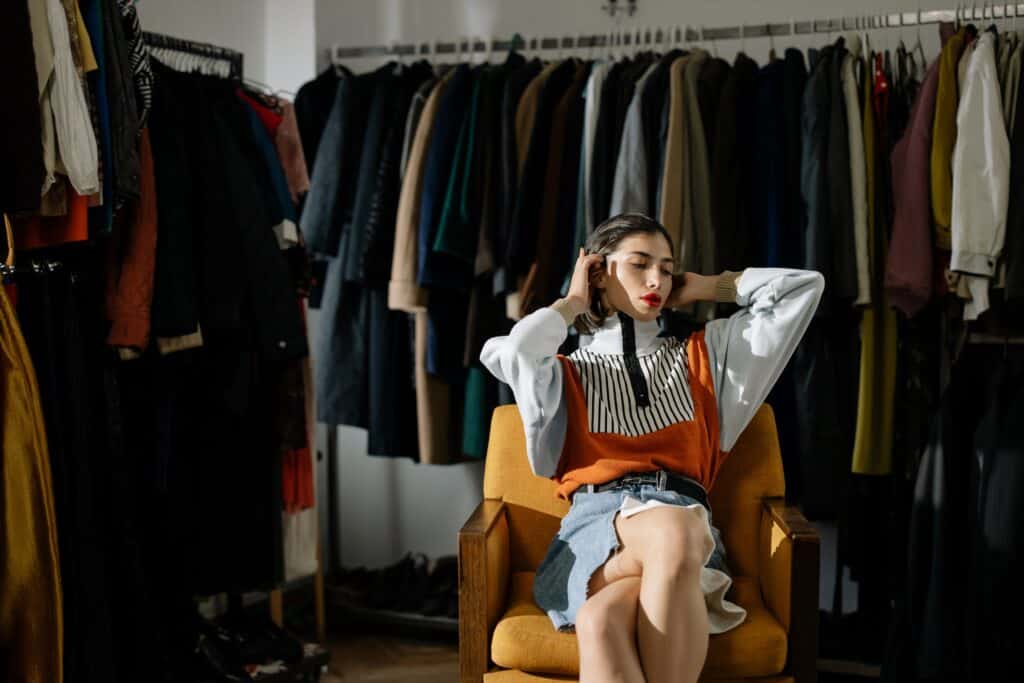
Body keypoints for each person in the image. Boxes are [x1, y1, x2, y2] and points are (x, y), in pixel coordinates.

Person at [480, 213, 823, 683]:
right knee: (673, 531)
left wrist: (707, 287)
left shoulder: (709, 357)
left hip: (683, 536)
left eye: (667, 267)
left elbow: (803, 288)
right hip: (591, 540)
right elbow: (516, 351)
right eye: (640, 264)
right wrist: (573, 301)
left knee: (601, 621)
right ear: (599, 270)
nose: (657, 279)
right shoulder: (563, 372)